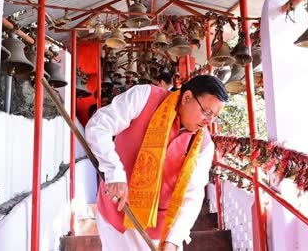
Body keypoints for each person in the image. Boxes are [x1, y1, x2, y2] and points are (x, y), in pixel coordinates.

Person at [85, 75, 228, 251]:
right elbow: (99, 126)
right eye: (206, 112)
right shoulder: (144, 97)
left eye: (214, 116)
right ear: (187, 97)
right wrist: (114, 172)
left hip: (160, 229)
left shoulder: (204, 145)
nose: (208, 121)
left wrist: (174, 239)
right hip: (117, 211)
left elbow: (193, 194)